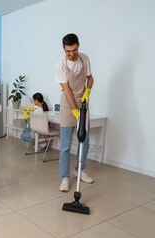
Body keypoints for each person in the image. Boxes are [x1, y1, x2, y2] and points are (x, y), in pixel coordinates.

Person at [55, 33, 94, 192]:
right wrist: (75, 111)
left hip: (83, 100)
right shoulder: (60, 65)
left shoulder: (84, 58)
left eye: (74, 50)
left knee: (85, 141)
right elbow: (67, 90)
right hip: (68, 103)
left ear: (78, 45)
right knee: (65, 145)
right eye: (68, 51)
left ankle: (80, 169)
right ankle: (65, 177)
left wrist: (88, 91)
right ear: (63, 49)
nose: (72, 54)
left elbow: (90, 78)